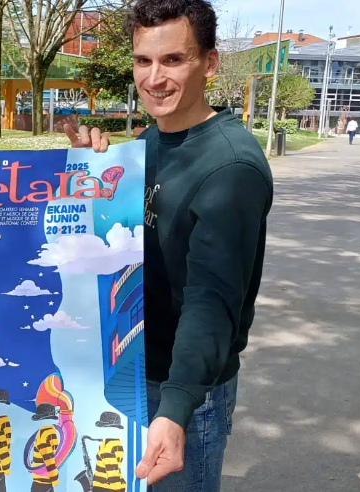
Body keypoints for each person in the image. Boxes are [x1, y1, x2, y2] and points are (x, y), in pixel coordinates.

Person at [65, 0, 273, 490]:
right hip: (126, 372)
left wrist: (176, 409)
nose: (154, 78)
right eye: (143, 61)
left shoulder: (230, 167)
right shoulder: (149, 143)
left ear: (210, 62)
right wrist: (90, 174)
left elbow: (212, 300)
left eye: (173, 60)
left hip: (180, 392)